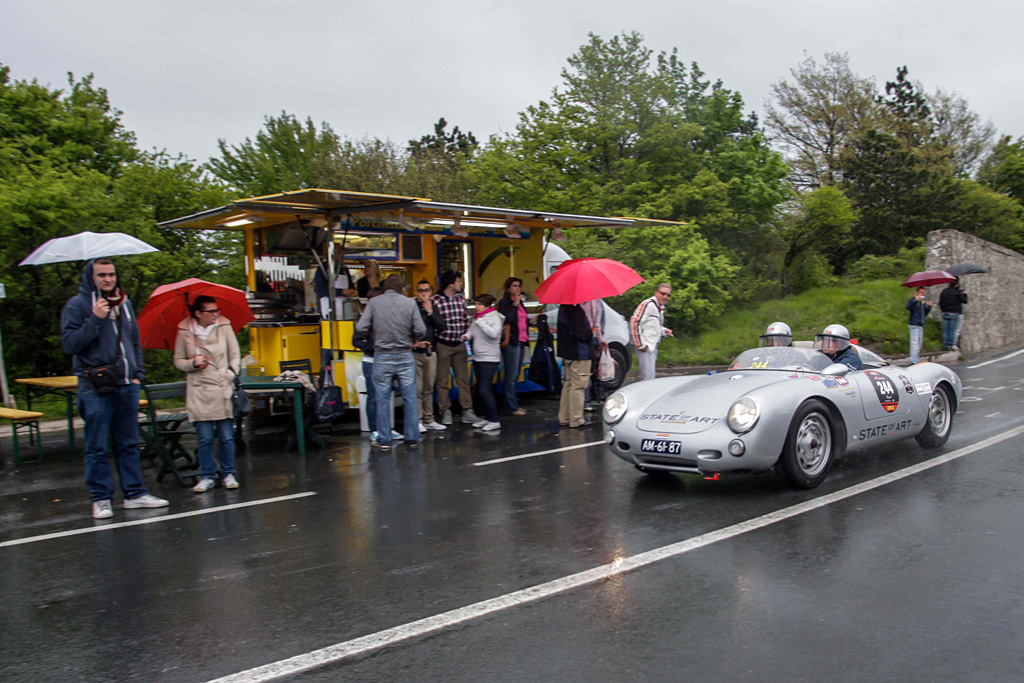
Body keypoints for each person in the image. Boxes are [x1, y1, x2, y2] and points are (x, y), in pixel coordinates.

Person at [60, 258, 169, 519]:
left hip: (126, 384)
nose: (108, 279)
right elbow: (70, 344)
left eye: (111, 275)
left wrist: (137, 375)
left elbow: (134, 341)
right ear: (91, 277)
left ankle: (134, 493)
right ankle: (100, 498)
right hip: (93, 384)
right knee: (97, 445)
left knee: (129, 443)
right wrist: (96, 319)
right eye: (102, 275)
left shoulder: (125, 303)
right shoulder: (78, 305)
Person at [173, 295, 241, 493]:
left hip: (221, 386)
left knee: (227, 436)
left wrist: (229, 374)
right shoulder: (185, 331)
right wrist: (192, 363)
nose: (215, 314)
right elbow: (178, 360)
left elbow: (235, 354)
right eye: (211, 311)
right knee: (204, 437)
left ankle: (228, 473)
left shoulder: (224, 326)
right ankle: (207, 475)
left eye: (217, 310)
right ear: (198, 313)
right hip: (199, 388)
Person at [355, 273, 426, 451]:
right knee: (410, 397)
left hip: (382, 355)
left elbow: (360, 327)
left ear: (384, 287)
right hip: (404, 355)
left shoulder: (374, 303)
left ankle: (384, 438)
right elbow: (421, 330)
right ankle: (412, 437)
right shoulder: (410, 303)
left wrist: (375, 330)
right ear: (402, 288)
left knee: (382, 398)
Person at [352, 287, 402, 444]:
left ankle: (386, 428)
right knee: (373, 397)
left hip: (387, 360)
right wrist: (373, 348)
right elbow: (356, 341)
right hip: (372, 362)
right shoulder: (365, 320)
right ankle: (375, 429)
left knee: (386, 397)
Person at [431, 271, 479, 425]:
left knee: (464, 380)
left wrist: (466, 335)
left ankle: (467, 410)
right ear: (450, 283)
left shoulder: (460, 299)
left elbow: (465, 318)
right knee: (442, 381)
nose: (461, 284)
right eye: (458, 281)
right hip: (443, 344)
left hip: (459, 344)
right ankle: (445, 410)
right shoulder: (436, 300)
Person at [466, 294, 503, 431]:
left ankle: (494, 419)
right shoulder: (477, 318)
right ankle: (487, 418)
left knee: (484, 389)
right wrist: (466, 336)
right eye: (475, 304)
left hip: (489, 358)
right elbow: (472, 330)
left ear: (487, 305)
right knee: (481, 389)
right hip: (478, 357)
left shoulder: (494, 317)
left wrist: (481, 322)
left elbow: (494, 333)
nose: (476, 307)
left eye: (479, 304)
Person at [413, 279, 447, 431]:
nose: (423, 293)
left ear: (431, 292)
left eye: (426, 290)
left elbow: (441, 327)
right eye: (420, 290)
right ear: (416, 292)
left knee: (428, 387)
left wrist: (431, 312)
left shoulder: (433, 307)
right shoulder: (411, 306)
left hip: (430, 352)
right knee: (417, 388)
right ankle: (418, 419)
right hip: (415, 352)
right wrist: (414, 344)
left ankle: (429, 418)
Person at [496, 276, 530, 415]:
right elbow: (507, 319)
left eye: (519, 286)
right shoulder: (505, 303)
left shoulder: (521, 303)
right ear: (508, 289)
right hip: (512, 341)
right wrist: (515, 305)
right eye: (514, 286)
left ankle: (513, 403)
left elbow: (522, 320)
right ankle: (510, 406)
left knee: (515, 374)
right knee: (511, 374)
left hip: (521, 339)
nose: (517, 288)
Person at [557, 303, 595, 428]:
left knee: (568, 385)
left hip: (568, 353)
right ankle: (576, 419)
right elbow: (579, 333)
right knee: (578, 386)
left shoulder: (563, 308)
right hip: (579, 353)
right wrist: (591, 332)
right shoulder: (575, 310)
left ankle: (564, 417)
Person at [630, 283, 673, 381]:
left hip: (653, 346)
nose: (665, 297)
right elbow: (634, 322)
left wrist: (664, 331)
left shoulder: (659, 308)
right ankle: (646, 395)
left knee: (650, 377)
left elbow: (653, 326)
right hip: (646, 346)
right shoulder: (648, 304)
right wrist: (640, 344)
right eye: (663, 293)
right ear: (656, 293)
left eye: (668, 295)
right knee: (648, 379)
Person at [313, 243, 357, 319]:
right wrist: (341, 292)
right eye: (339, 252)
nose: (343, 255)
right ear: (331, 254)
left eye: (343, 252)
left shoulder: (344, 269)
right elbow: (319, 289)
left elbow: (350, 284)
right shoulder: (323, 269)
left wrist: (352, 290)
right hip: (330, 307)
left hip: (345, 305)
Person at [939, 278, 968, 351]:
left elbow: (940, 302)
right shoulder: (957, 292)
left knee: (945, 330)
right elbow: (965, 301)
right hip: (953, 312)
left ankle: (945, 344)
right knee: (952, 330)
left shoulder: (944, 291)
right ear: (957, 284)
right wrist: (964, 294)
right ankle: (950, 345)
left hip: (945, 312)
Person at [906, 287, 932, 364]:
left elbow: (924, 314)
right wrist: (915, 300)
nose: (922, 294)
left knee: (919, 344)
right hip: (914, 324)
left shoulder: (922, 303)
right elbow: (908, 307)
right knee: (915, 344)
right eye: (921, 292)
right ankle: (914, 360)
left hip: (920, 325)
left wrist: (929, 307)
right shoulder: (913, 300)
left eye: (923, 293)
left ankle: (916, 358)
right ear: (917, 292)